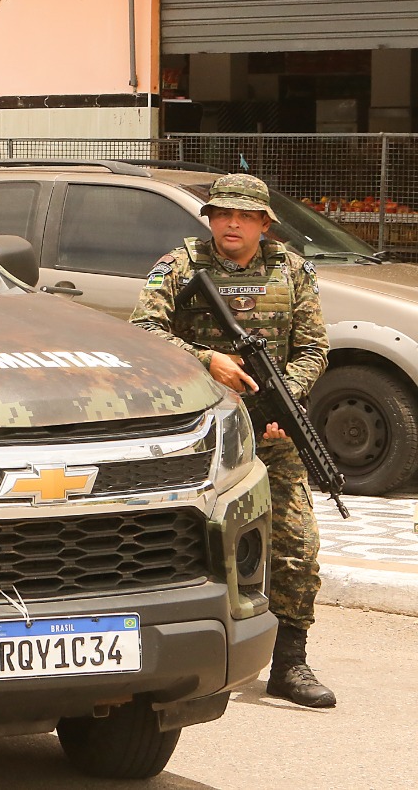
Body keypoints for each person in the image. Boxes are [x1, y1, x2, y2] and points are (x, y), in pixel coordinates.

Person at [130, 173, 335, 708]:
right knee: (190, 545)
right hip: (203, 434)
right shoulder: (182, 265)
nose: (233, 224)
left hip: (272, 430)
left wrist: (284, 401)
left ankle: (290, 663)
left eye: (245, 216)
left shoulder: (290, 270)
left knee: (298, 547)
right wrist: (208, 361)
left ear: (265, 224)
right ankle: (173, 656)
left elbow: (314, 346)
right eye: (223, 214)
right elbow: (143, 330)